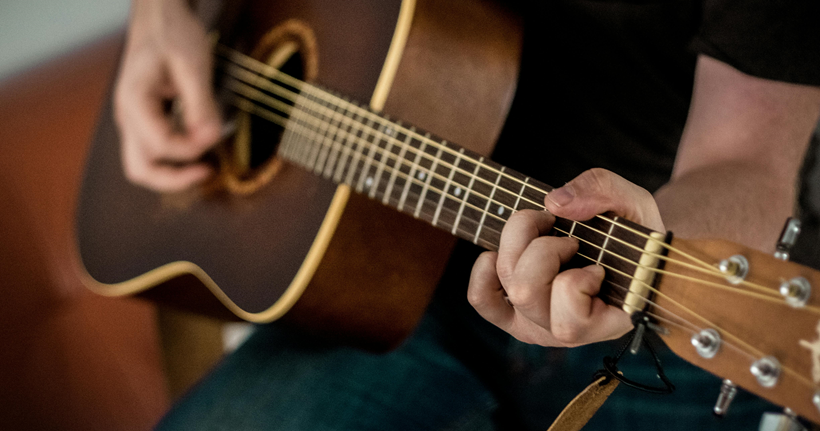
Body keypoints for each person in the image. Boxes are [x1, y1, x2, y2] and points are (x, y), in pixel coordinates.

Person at [114, 0, 820, 429]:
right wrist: (161, 16)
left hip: (658, 328)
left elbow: (752, 158)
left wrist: (653, 239)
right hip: (382, 280)